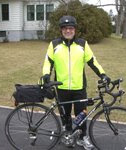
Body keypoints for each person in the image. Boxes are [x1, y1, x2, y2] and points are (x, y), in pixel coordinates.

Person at [42, 15, 110, 150]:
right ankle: (67, 135)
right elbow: (48, 62)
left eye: (71, 28)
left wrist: (103, 74)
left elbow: (92, 61)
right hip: (61, 88)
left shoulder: (82, 44)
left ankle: (82, 137)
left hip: (79, 87)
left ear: (75, 30)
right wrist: (46, 75)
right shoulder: (54, 44)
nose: (68, 31)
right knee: (65, 115)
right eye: (65, 28)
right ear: (61, 30)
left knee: (82, 114)